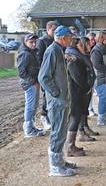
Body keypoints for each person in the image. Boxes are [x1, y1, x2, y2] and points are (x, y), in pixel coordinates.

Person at [38, 25, 76, 177]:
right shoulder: (52, 51)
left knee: (61, 131)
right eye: (70, 37)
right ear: (62, 37)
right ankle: (55, 166)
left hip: (61, 99)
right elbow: (43, 77)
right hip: (57, 100)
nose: (72, 40)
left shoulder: (59, 50)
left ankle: (60, 160)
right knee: (57, 132)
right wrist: (56, 92)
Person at [64, 37, 91, 157]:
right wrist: (86, 87)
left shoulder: (74, 56)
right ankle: (70, 147)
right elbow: (77, 77)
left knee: (76, 117)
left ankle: (71, 145)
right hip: (74, 92)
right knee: (74, 118)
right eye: (81, 44)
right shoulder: (73, 58)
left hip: (76, 91)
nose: (83, 46)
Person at [17, 34, 45, 137]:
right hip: (30, 84)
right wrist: (33, 82)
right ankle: (29, 130)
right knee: (30, 106)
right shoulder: (25, 54)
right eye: (31, 42)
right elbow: (21, 72)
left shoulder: (31, 52)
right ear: (25, 42)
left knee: (33, 106)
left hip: (33, 83)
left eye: (34, 41)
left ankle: (31, 127)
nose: (33, 44)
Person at [36, 21, 58, 131]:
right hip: (46, 74)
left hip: (56, 74)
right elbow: (39, 59)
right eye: (53, 30)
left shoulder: (56, 41)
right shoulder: (42, 42)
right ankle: (44, 117)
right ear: (48, 29)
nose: (55, 32)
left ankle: (51, 116)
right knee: (46, 96)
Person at [78, 37, 98, 141]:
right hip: (84, 87)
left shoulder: (86, 55)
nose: (90, 45)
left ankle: (85, 127)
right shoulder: (81, 57)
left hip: (89, 85)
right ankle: (81, 130)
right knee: (82, 109)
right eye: (88, 44)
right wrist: (86, 86)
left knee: (85, 109)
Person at [86, 32, 97, 116]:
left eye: (93, 39)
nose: (92, 41)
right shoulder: (84, 50)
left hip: (93, 71)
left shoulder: (95, 48)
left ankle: (90, 108)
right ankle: (88, 108)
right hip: (86, 72)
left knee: (92, 91)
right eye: (90, 39)